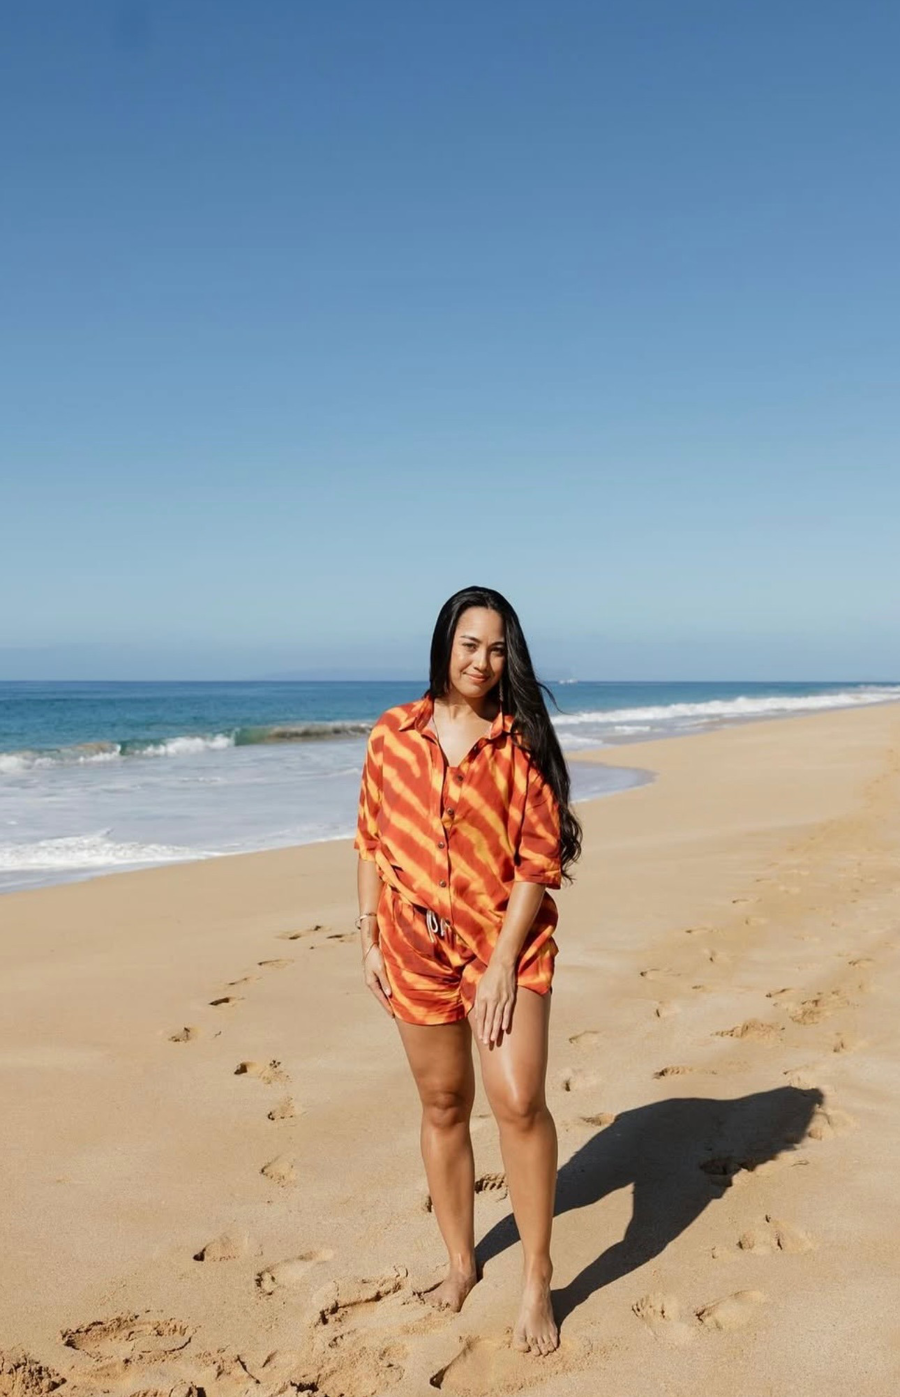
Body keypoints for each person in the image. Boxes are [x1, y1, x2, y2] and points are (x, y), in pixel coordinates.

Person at [353, 585, 582, 1356]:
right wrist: (369, 936)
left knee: (517, 1100)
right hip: (412, 945)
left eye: (496, 648)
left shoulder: (521, 742)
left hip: (503, 942)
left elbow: (538, 863)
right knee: (444, 1102)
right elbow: (370, 840)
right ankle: (460, 1263)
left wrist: (502, 964)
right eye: (469, 644)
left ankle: (537, 1277)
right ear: (444, 644)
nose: (482, 661)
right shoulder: (393, 734)